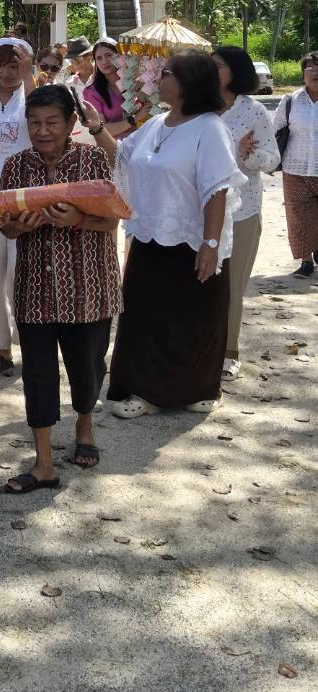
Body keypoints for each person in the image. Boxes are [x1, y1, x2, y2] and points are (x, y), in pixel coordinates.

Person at [84, 51, 244, 417]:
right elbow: (122, 157)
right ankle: (144, 391)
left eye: (167, 73)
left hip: (192, 240)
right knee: (145, 316)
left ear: (189, 83)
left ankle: (198, 388)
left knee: (193, 317)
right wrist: (96, 128)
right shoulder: (156, 123)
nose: (159, 78)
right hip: (149, 235)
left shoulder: (209, 128)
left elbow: (217, 189)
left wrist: (210, 244)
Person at [0, 86, 123, 491]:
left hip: (88, 285)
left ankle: (84, 425)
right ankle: (43, 463)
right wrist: (16, 227)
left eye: (52, 122)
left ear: (71, 124)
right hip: (34, 286)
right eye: (34, 123)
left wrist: (77, 221)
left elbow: (112, 220)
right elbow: (5, 225)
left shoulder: (93, 160)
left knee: (87, 365)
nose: (42, 131)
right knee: (38, 373)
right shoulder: (16, 166)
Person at [214, 46, 279, 378]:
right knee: (202, 283)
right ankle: (202, 348)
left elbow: (272, 159)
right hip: (200, 209)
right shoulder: (200, 107)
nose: (211, 70)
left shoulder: (253, 111)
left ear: (235, 72)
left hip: (242, 210)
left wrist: (247, 154)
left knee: (232, 283)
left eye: (218, 65)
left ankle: (229, 351)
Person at [0, 39, 33, 376]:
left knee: (19, 273)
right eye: (2, 65)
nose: (8, 72)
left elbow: (44, 117)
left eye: (15, 66)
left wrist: (30, 77)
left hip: (23, 196)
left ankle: (32, 343)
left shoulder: (33, 95)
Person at [272, 52, 318, 278]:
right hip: (295, 169)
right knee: (299, 216)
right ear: (303, 74)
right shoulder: (290, 101)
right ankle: (306, 260)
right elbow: (275, 129)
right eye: (311, 68)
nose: (316, 72)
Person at [82, 38, 135, 139]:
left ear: (119, 56)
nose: (104, 61)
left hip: (145, 139)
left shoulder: (136, 81)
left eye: (109, 55)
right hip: (116, 146)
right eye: (99, 58)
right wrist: (133, 120)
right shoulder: (91, 92)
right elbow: (101, 130)